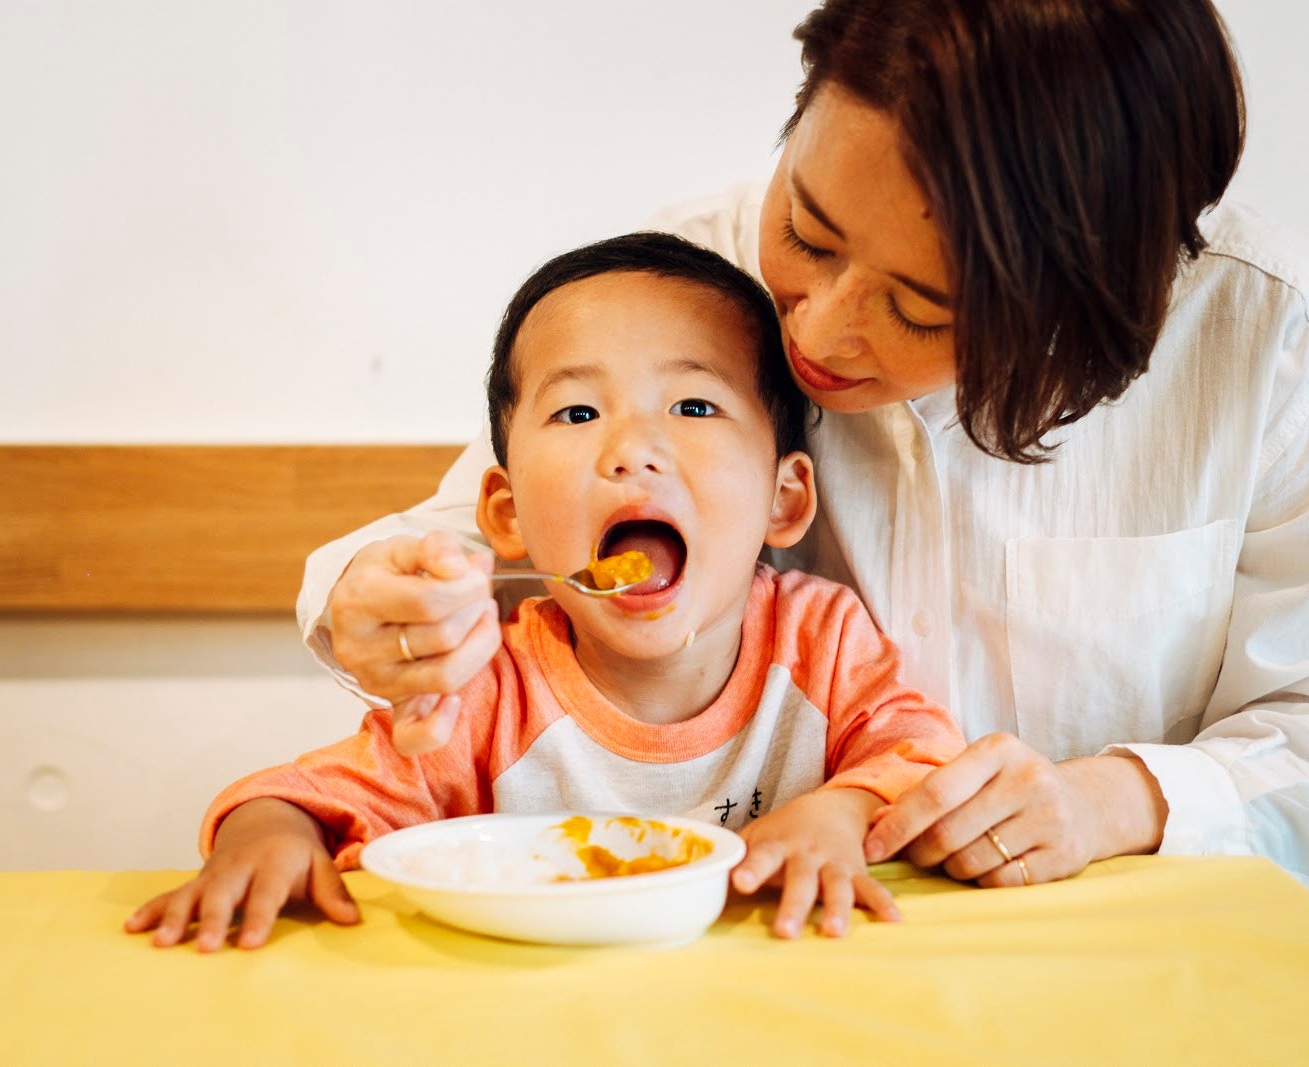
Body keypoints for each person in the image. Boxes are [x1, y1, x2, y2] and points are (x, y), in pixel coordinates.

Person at [295, 0, 1309, 979]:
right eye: (807, 230)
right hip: (813, 961)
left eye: (921, 307)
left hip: (1172, 958)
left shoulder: (1262, 327)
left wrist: (1116, 799)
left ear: (1090, 301)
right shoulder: (682, 297)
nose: (821, 332)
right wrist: (384, 600)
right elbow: (468, 542)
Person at [126, 232, 965, 951]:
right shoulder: (491, 694)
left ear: (784, 498)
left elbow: (923, 751)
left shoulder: (820, 642)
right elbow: (311, 797)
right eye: (578, 414)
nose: (632, 449)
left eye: (693, 404)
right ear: (506, 512)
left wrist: (843, 810)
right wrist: (266, 835)